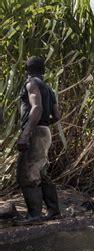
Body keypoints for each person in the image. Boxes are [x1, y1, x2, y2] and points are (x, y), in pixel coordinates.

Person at [15, 56, 61, 225]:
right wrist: (43, 125)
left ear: (26, 71)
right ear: (44, 71)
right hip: (45, 131)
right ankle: (54, 211)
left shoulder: (31, 84)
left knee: (26, 174)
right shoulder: (48, 89)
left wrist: (27, 133)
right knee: (40, 172)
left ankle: (34, 215)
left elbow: (37, 107)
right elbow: (57, 116)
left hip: (35, 132)